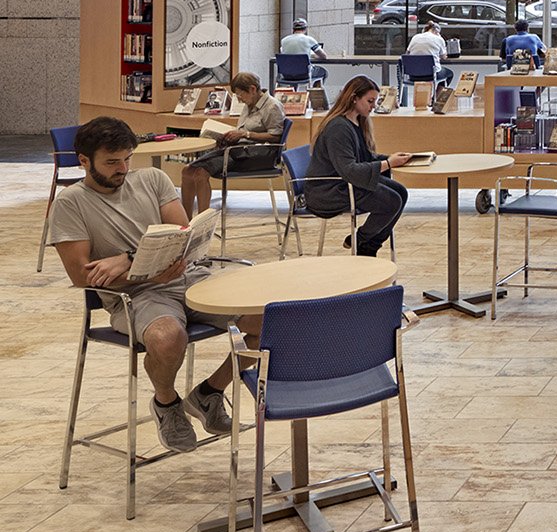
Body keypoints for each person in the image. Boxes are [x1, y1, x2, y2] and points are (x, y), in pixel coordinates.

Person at [49, 116, 258, 452]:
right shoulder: (70, 203)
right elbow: (82, 276)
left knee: (271, 318)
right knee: (166, 338)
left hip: (187, 279)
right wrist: (145, 274)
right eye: (112, 162)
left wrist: (129, 258)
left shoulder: (152, 179)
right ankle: (166, 403)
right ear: (85, 161)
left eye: (127, 159)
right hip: (134, 296)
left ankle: (209, 392)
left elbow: (182, 238)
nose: (122, 168)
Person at [307, 75, 414, 257]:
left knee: (401, 193)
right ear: (354, 98)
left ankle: (366, 244)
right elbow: (349, 169)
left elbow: (364, 157)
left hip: (344, 182)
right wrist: (387, 163)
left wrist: (392, 159)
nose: (373, 106)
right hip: (329, 190)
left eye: (375, 101)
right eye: (370, 101)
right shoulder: (338, 128)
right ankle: (364, 243)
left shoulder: (355, 122)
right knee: (391, 201)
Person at [179, 72, 285, 217]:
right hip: (238, 150)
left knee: (200, 173)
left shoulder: (272, 106)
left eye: (241, 94)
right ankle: (186, 220)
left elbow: (276, 137)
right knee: (187, 170)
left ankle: (202, 223)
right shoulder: (249, 104)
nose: (239, 99)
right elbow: (243, 130)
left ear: (253, 89)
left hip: (256, 155)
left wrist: (244, 134)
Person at [405, 20, 455, 88]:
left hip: (413, 75)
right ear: (436, 31)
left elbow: (407, 53)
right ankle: (437, 96)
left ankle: (429, 96)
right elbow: (444, 57)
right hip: (431, 75)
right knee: (449, 74)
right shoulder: (439, 39)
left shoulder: (415, 37)